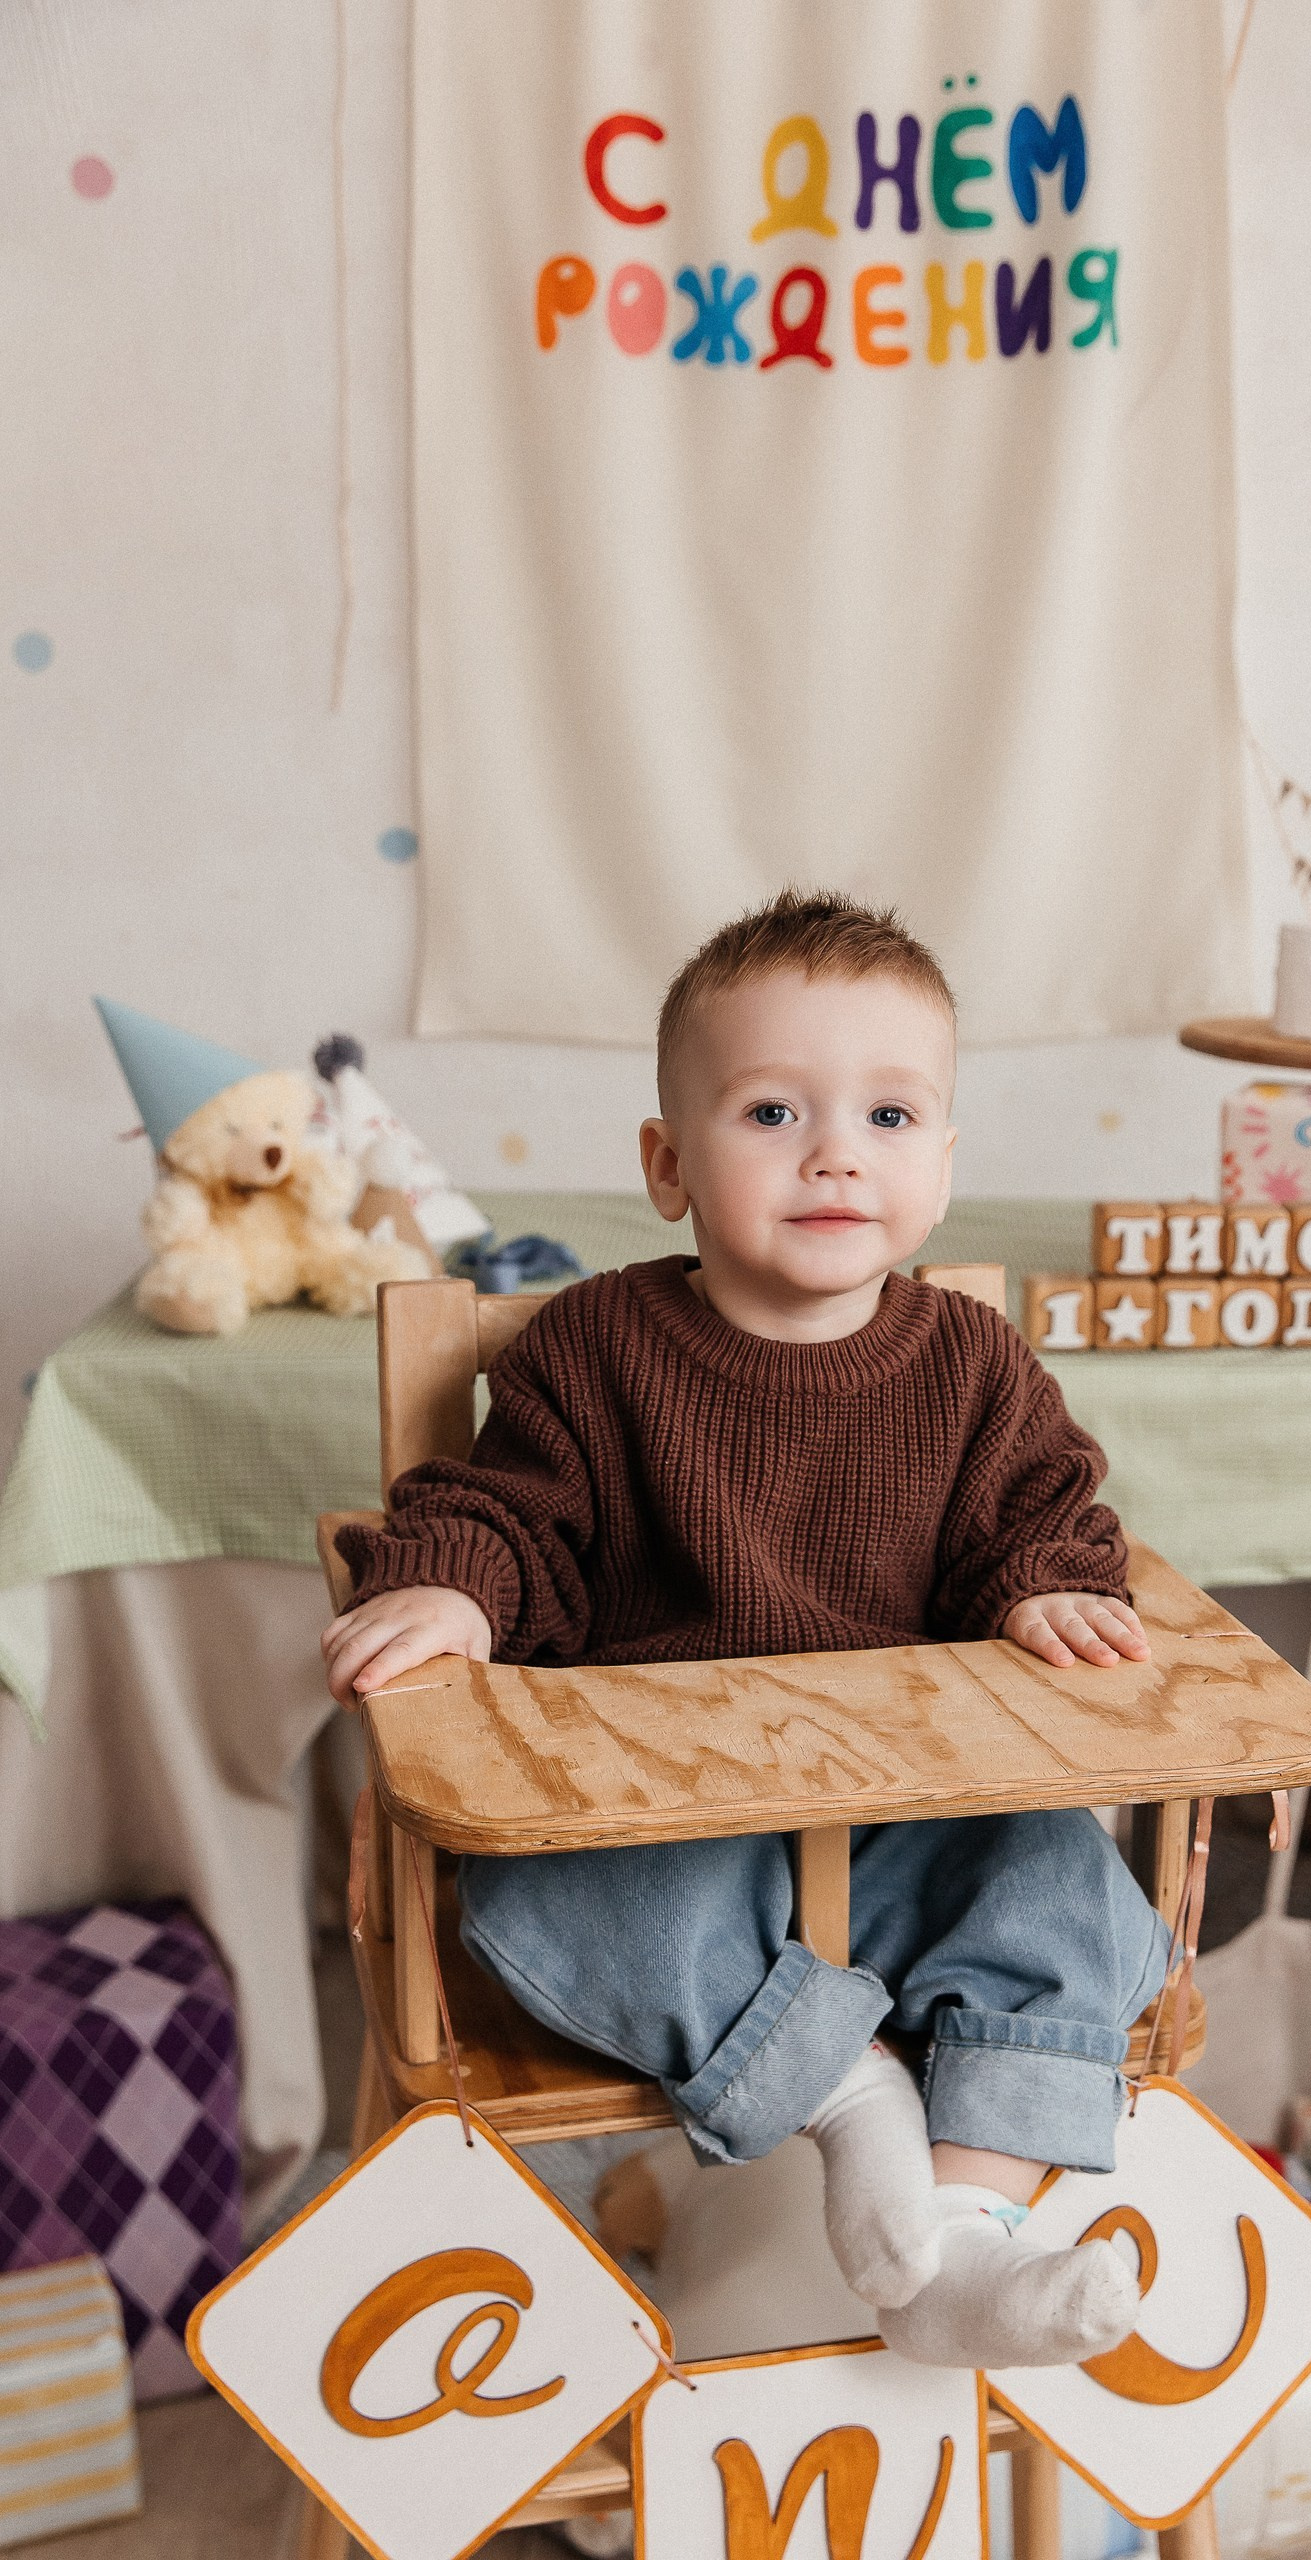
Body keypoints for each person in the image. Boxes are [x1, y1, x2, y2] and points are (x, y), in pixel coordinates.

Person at [323, 888, 1171, 2368]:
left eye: (889, 1117)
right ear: (668, 1163)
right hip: (668, 1825)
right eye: (774, 1111)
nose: (837, 1153)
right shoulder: (597, 1349)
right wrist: (457, 1584)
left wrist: (1043, 1584)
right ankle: (850, 2100)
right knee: (538, 1896)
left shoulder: (972, 1366)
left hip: (906, 1821)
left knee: (1065, 1890)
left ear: (942, 1165)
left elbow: (1038, 1515)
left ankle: (960, 2248)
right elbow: (509, 1511)